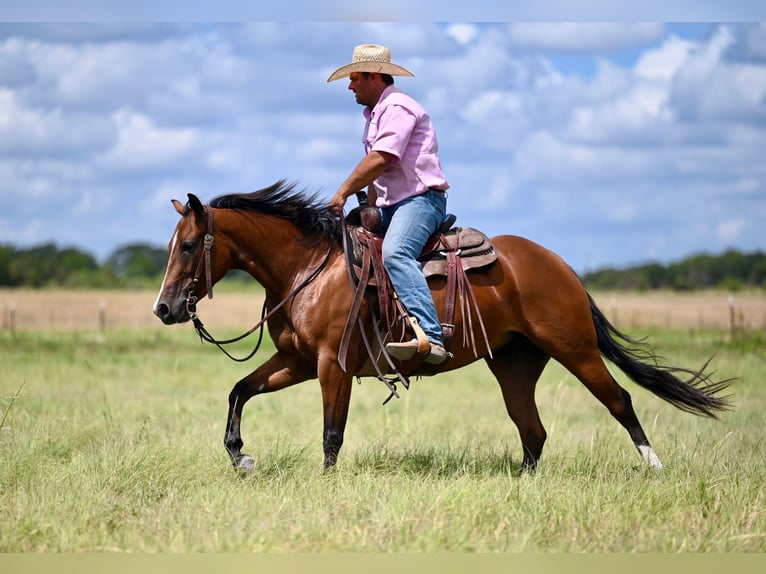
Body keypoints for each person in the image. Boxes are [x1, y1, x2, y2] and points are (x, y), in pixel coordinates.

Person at [327, 44, 450, 365]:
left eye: (354, 78)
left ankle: (431, 336)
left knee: (396, 253)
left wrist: (341, 193)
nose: (349, 85)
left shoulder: (398, 108)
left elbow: (381, 159)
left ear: (373, 76)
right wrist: (368, 207)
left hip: (420, 201)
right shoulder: (374, 114)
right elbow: (375, 167)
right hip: (389, 204)